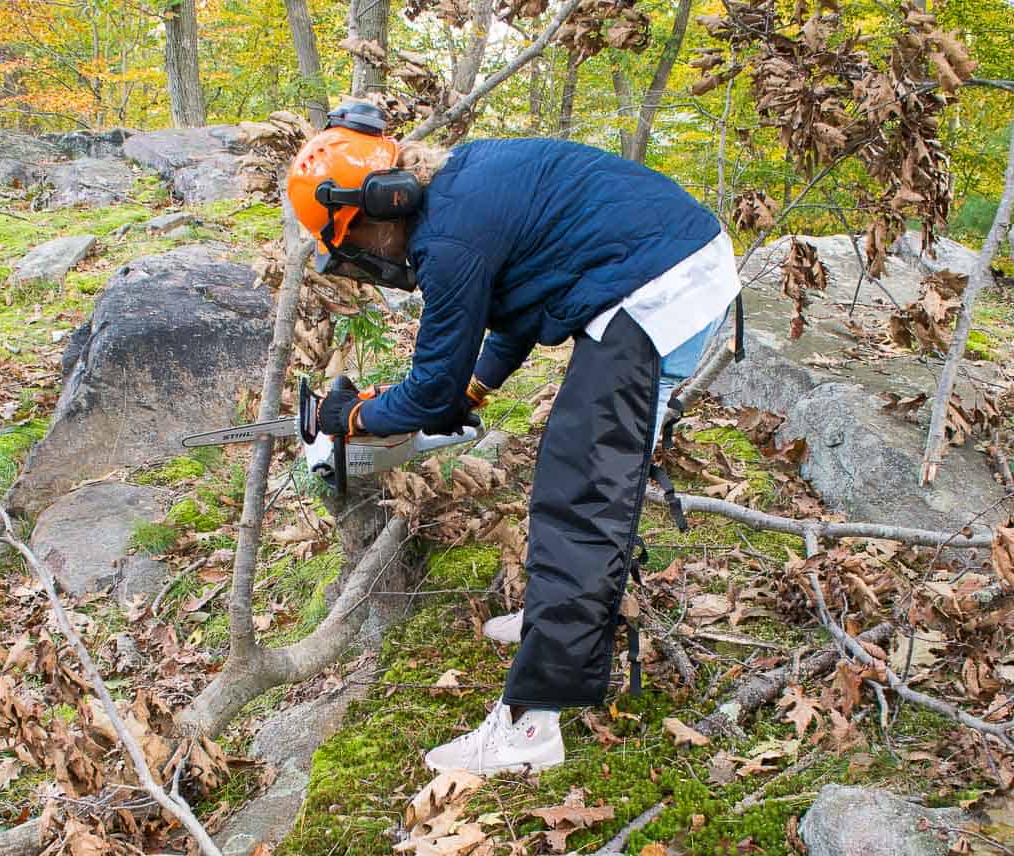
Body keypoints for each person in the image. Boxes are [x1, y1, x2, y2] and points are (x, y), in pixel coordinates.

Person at [288, 102, 741, 774]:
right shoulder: (460, 194)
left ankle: (531, 727)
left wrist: (350, 417)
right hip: (674, 272)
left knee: (581, 496)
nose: (362, 259)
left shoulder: (446, 239)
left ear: (380, 207)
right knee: (589, 484)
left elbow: (429, 390)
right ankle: (556, 625)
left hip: (656, 291)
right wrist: (475, 389)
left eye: (354, 243)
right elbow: (516, 309)